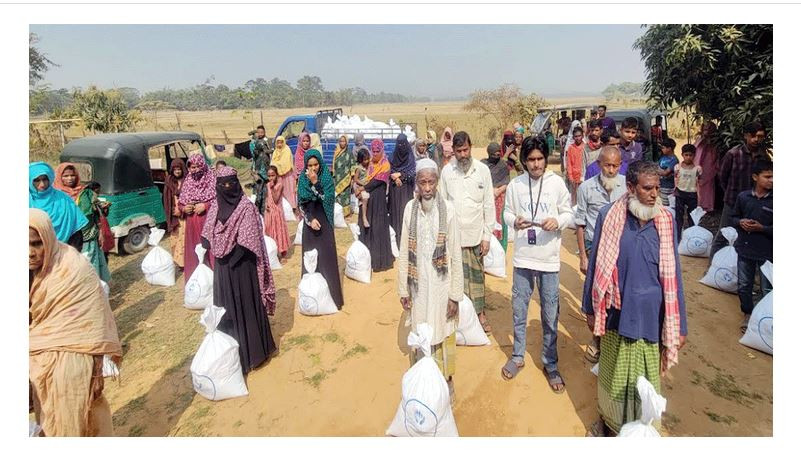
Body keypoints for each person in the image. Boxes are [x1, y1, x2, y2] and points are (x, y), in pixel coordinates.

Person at [582, 160, 688, 437]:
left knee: (646, 378)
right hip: (617, 309)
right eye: (647, 188)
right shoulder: (610, 215)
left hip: (651, 316)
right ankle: (609, 422)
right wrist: (589, 307)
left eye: (656, 189)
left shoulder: (665, 221)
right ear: (630, 188)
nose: (655, 195)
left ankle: (643, 430)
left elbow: (674, 274)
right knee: (613, 374)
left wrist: (682, 326)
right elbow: (596, 265)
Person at [29, 208, 122, 436]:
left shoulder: (74, 268)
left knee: (84, 416)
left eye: (36, 243)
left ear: (48, 238)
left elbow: (95, 320)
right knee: (50, 417)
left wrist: (97, 369)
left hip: (76, 360)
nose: (30, 252)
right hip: (39, 361)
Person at [500, 136, 573, 392]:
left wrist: (558, 221)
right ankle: (518, 355)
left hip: (549, 260)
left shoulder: (557, 183)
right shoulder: (516, 185)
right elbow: (507, 212)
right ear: (524, 160)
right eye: (530, 159)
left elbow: (569, 212)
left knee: (550, 313)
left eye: (540, 158)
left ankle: (550, 363)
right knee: (519, 309)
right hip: (523, 258)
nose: (536, 164)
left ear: (545, 158)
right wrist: (514, 221)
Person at [200, 167, 277, 375]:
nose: (228, 188)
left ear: (237, 183)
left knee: (246, 306)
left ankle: (254, 353)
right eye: (223, 184)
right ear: (218, 186)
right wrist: (209, 245)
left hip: (242, 267)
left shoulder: (246, 207)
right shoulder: (215, 206)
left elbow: (247, 241)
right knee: (228, 309)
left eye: (231, 183)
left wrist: (227, 256)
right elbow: (206, 235)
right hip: (223, 271)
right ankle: (233, 355)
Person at [397, 158, 463, 398]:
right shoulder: (409, 209)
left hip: (442, 287)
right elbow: (404, 249)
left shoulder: (449, 210)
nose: (427, 188)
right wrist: (403, 290)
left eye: (431, 182)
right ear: (416, 183)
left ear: (437, 183)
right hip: (418, 288)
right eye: (422, 182)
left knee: (443, 332)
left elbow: (455, 253)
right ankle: (423, 387)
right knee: (421, 332)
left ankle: (446, 383)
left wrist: (455, 296)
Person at [574, 146, 627, 363]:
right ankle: (596, 338)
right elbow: (580, 223)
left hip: (621, 248)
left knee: (617, 295)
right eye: (607, 165)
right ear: (599, 164)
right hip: (594, 247)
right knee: (595, 295)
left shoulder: (627, 186)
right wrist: (584, 257)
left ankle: (614, 338)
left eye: (616, 165)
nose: (612, 170)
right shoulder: (586, 188)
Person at [439, 131, 495, 333]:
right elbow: (442, 205)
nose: (463, 154)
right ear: (452, 150)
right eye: (459, 151)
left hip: (475, 235)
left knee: (477, 278)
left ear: (471, 148)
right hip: (454, 238)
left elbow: (489, 205)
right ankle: (460, 318)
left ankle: (480, 315)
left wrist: (487, 236)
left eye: (466, 150)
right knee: (456, 279)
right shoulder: (447, 172)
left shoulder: (482, 171)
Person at [710, 121, 770, 260]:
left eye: (760, 136)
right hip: (732, 201)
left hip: (754, 204)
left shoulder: (763, 156)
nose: (756, 139)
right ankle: (712, 266)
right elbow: (722, 177)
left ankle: (745, 269)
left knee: (749, 235)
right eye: (753, 136)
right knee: (723, 233)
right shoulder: (734, 154)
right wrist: (730, 194)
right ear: (746, 136)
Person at [298, 149, 345, 308]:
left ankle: (331, 299)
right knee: (310, 257)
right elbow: (301, 204)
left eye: (316, 164)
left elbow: (327, 197)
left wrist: (315, 182)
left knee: (326, 257)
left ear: (320, 163)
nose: (313, 168)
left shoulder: (326, 178)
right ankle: (311, 299)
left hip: (324, 220)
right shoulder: (302, 180)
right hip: (310, 223)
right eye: (310, 165)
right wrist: (310, 220)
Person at [731, 159, 772, 334]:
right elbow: (733, 217)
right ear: (755, 177)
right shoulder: (743, 197)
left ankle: (766, 318)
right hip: (745, 249)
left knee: (767, 288)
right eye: (767, 176)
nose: (772, 180)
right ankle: (748, 314)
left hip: (768, 252)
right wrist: (740, 222)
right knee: (744, 284)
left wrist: (762, 228)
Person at [53, 163, 111, 283]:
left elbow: (98, 213)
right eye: (65, 176)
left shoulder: (86, 193)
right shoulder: (55, 196)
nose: (70, 179)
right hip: (65, 241)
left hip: (88, 238)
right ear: (59, 177)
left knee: (90, 267)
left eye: (73, 175)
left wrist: (103, 212)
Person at [29, 162, 88, 252]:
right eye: (36, 180)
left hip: (63, 252)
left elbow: (76, 231)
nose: (42, 184)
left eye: (45, 179)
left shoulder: (63, 199)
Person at [358, 139, 395, 272]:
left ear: (382, 150)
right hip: (369, 199)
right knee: (369, 226)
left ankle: (381, 261)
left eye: (377, 151)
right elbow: (366, 178)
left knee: (378, 227)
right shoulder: (371, 165)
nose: (375, 154)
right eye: (373, 151)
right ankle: (369, 259)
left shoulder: (385, 164)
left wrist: (363, 188)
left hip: (378, 199)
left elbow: (377, 182)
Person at [179, 154, 216, 281]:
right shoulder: (188, 181)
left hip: (207, 222)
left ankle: (213, 281)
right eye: (191, 167)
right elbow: (181, 202)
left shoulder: (211, 179)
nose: (193, 170)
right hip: (191, 224)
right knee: (194, 252)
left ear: (202, 166)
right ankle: (196, 281)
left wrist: (206, 205)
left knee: (209, 251)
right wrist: (184, 208)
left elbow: (219, 200)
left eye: (196, 167)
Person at [389, 133, 417, 248]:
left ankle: (406, 242)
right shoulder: (392, 156)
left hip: (406, 190)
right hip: (395, 190)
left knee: (405, 212)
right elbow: (388, 170)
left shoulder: (410, 157)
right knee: (395, 213)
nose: (401, 146)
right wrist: (394, 177)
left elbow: (412, 172)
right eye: (399, 144)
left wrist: (400, 175)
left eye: (403, 143)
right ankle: (396, 241)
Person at [481, 142, 510, 251]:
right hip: (486, 197)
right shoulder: (482, 165)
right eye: (494, 155)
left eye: (498, 154)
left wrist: (498, 191)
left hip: (500, 199)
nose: (496, 157)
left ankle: (501, 250)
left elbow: (507, 181)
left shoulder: (503, 165)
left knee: (500, 225)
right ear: (489, 153)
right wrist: (490, 190)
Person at [674, 144, 703, 240]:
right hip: (680, 193)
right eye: (686, 155)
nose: (688, 157)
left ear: (694, 156)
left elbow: (700, 181)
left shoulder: (697, 169)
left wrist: (700, 195)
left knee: (692, 216)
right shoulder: (678, 167)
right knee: (679, 216)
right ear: (682, 155)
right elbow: (675, 178)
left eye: (690, 155)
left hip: (692, 194)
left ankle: (691, 236)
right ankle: (678, 236)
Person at [163, 158, 188, 269]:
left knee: (185, 237)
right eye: (175, 169)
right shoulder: (169, 180)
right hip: (174, 213)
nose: (177, 171)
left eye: (179, 169)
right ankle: (179, 262)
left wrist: (182, 210)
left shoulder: (187, 180)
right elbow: (166, 198)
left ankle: (186, 262)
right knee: (176, 237)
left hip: (185, 213)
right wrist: (173, 211)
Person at [264, 166, 290, 263]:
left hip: (277, 212)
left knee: (279, 232)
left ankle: (281, 253)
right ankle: (273, 252)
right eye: (269, 176)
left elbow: (275, 198)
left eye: (273, 175)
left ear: (277, 175)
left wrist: (272, 188)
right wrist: (266, 204)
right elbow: (267, 197)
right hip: (269, 212)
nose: (271, 178)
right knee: (270, 231)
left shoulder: (280, 184)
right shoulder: (267, 185)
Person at [693, 121, 719, 212]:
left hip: (709, 166)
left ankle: (708, 207)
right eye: (705, 129)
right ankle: (698, 205)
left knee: (708, 186)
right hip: (697, 165)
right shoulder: (699, 139)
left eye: (708, 129)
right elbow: (694, 149)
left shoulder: (715, 142)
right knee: (698, 186)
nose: (706, 131)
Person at [85, 181, 114, 264]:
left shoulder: (96, 201)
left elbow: (104, 214)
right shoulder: (87, 203)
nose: (98, 193)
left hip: (103, 228)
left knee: (104, 252)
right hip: (96, 230)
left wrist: (106, 207)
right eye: (97, 191)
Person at [272, 135, 299, 220]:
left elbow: (286, 163)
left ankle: (293, 209)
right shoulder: (275, 152)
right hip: (279, 176)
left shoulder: (287, 150)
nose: (279, 144)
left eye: (281, 142)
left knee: (289, 193)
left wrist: (277, 165)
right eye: (278, 142)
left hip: (287, 176)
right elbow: (272, 163)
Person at [333, 134, 355, 217]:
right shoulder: (336, 152)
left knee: (345, 196)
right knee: (337, 195)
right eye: (340, 141)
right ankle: (338, 213)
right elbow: (334, 165)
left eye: (344, 141)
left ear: (347, 142)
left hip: (346, 178)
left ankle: (346, 213)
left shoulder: (349, 153)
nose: (342, 143)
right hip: (337, 178)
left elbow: (353, 165)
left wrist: (352, 177)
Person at [565, 126, 585, 205]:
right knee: (574, 199)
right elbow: (569, 163)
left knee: (583, 198)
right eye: (576, 136)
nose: (577, 138)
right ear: (573, 137)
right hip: (574, 177)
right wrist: (570, 176)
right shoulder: (571, 148)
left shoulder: (585, 147)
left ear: (582, 136)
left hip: (583, 176)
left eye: (579, 136)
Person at [656, 137, 679, 206]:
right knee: (662, 202)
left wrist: (659, 171)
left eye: (663, 148)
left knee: (668, 204)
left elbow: (665, 173)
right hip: (662, 184)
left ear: (669, 148)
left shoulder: (674, 160)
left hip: (669, 186)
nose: (662, 149)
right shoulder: (663, 157)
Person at [352, 148, 371, 228]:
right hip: (360, 186)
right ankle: (364, 217)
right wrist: (363, 183)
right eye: (364, 160)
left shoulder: (369, 166)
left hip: (366, 185)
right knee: (365, 198)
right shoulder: (359, 168)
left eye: (367, 159)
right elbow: (355, 179)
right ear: (360, 159)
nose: (366, 161)